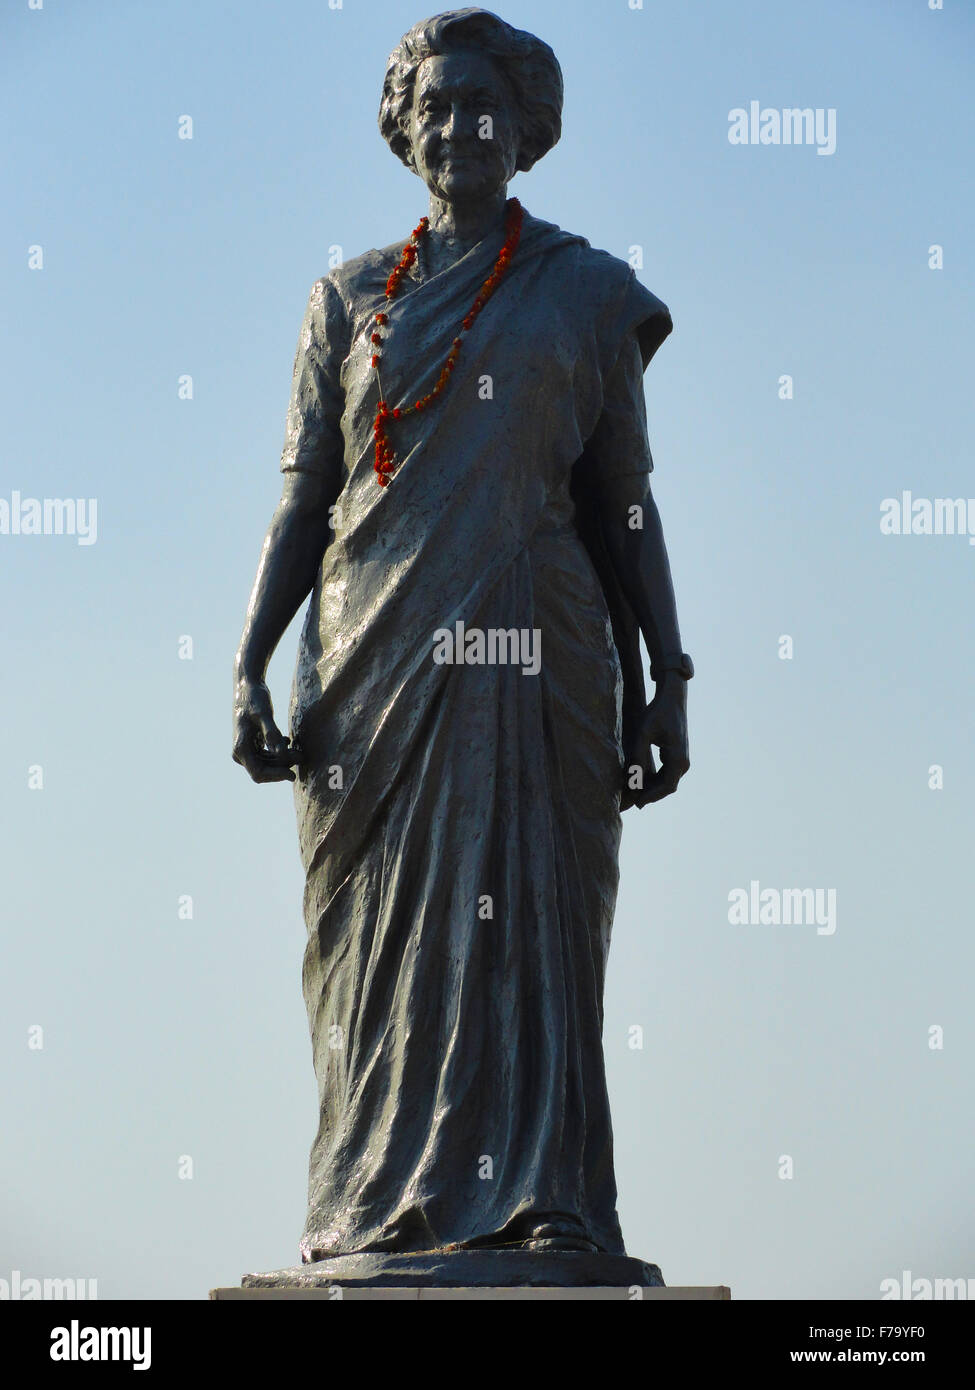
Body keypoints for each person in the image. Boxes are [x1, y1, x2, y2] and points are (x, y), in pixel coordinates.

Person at [232, 8, 691, 1267]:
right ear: (405, 129)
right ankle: (380, 1204)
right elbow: (303, 493)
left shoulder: (585, 292)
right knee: (378, 952)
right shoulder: (348, 298)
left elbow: (627, 497)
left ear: (525, 128)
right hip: (370, 659)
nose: (458, 126)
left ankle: (546, 1198)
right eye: (433, 106)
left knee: (532, 926)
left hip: (536, 641)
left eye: (480, 104)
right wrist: (246, 663)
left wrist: (671, 676)